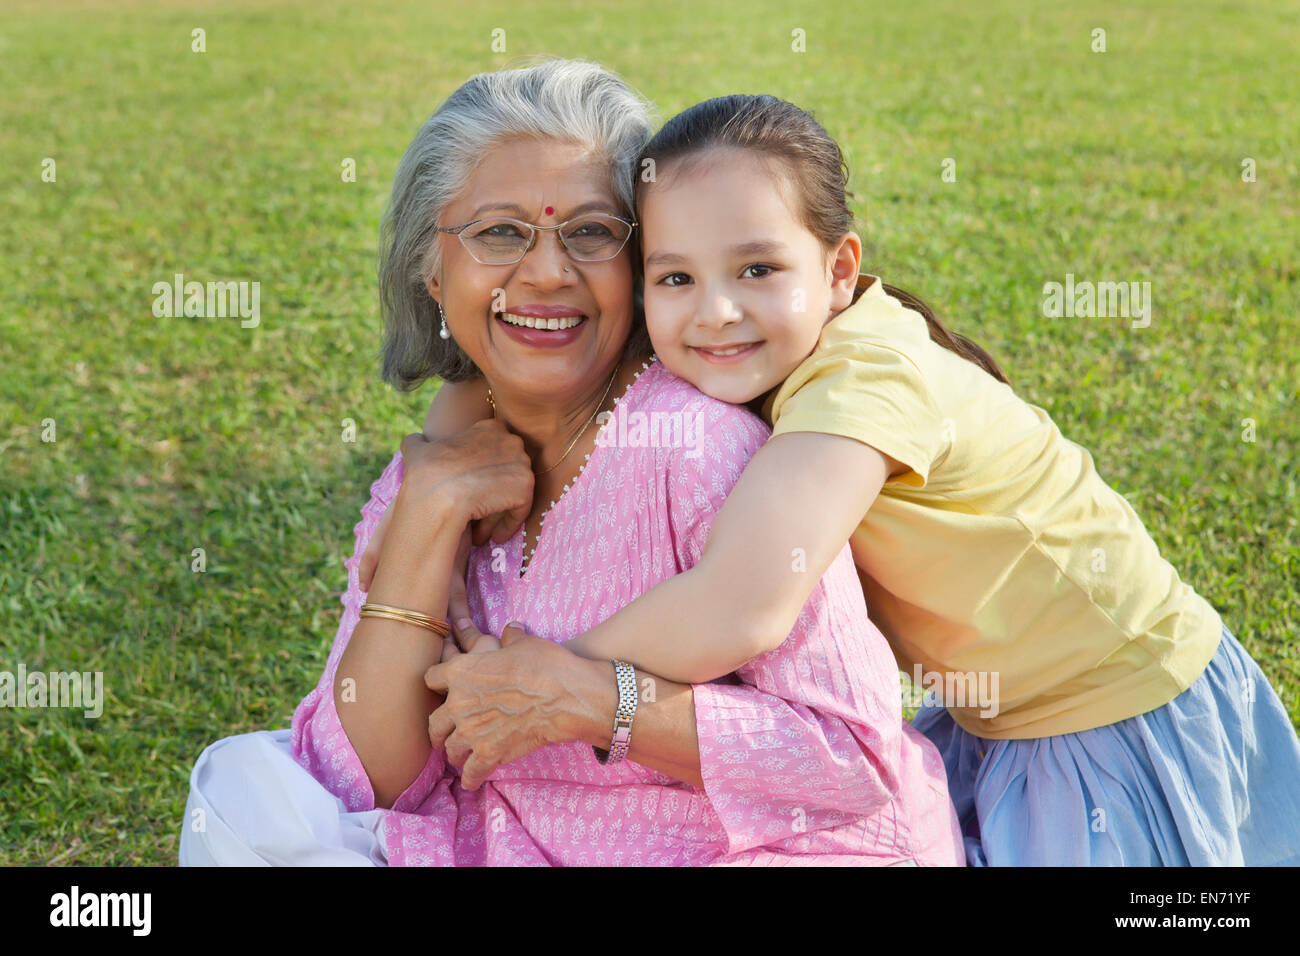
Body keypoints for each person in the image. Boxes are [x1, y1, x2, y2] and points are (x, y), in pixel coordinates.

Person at [370, 93, 1300, 866]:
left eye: (758, 268)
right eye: (675, 278)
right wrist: (456, 430)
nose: (717, 313)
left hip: (1112, 715)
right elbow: (494, 389)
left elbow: (742, 605)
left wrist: (540, 674)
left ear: (840, 268)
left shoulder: (860, 385)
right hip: (994, 719)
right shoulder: (763, 353)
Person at [178, 61, 964, 867]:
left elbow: (849, 760)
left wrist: (595, 702)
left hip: (753, 853)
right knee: (246, 791)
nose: (549, 272)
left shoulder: (701, 448)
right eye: (499, 233)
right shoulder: (443, 458)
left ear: (639, 258)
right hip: (508, 847)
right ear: (432, 266)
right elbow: (359, 780)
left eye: (590, 232)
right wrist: (428, 514)